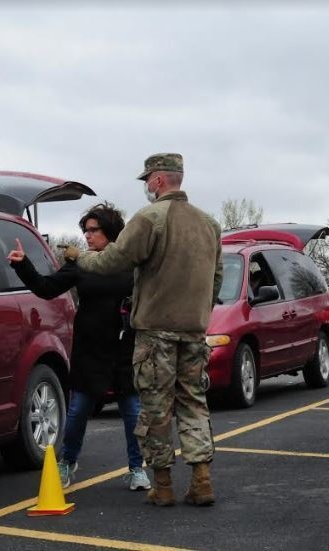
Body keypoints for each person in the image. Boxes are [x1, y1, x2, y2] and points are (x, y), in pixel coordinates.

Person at [64, 153, 223, 508]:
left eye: (147, 180)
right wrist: (199, 315)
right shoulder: (209, 224)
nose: (147, 186)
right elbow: (215, 279)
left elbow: (110, 261)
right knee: (194, 405)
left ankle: (163, 485)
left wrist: (78, 256)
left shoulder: (150, 218)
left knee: (154, 409)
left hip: (155, 334)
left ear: (157, 180)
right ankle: (201, 480)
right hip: (194, 331)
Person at [7, 203, 147, 491]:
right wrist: (23, 264)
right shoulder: (80, 265)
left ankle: (137, 469)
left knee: (132, 411)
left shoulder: (130, 265)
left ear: (110, 231)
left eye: (93, 230)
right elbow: (45, 288)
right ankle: (67, 463)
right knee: (78, 410)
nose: (87, 235)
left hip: (123, 349)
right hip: (89, 350)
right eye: (85, 230)